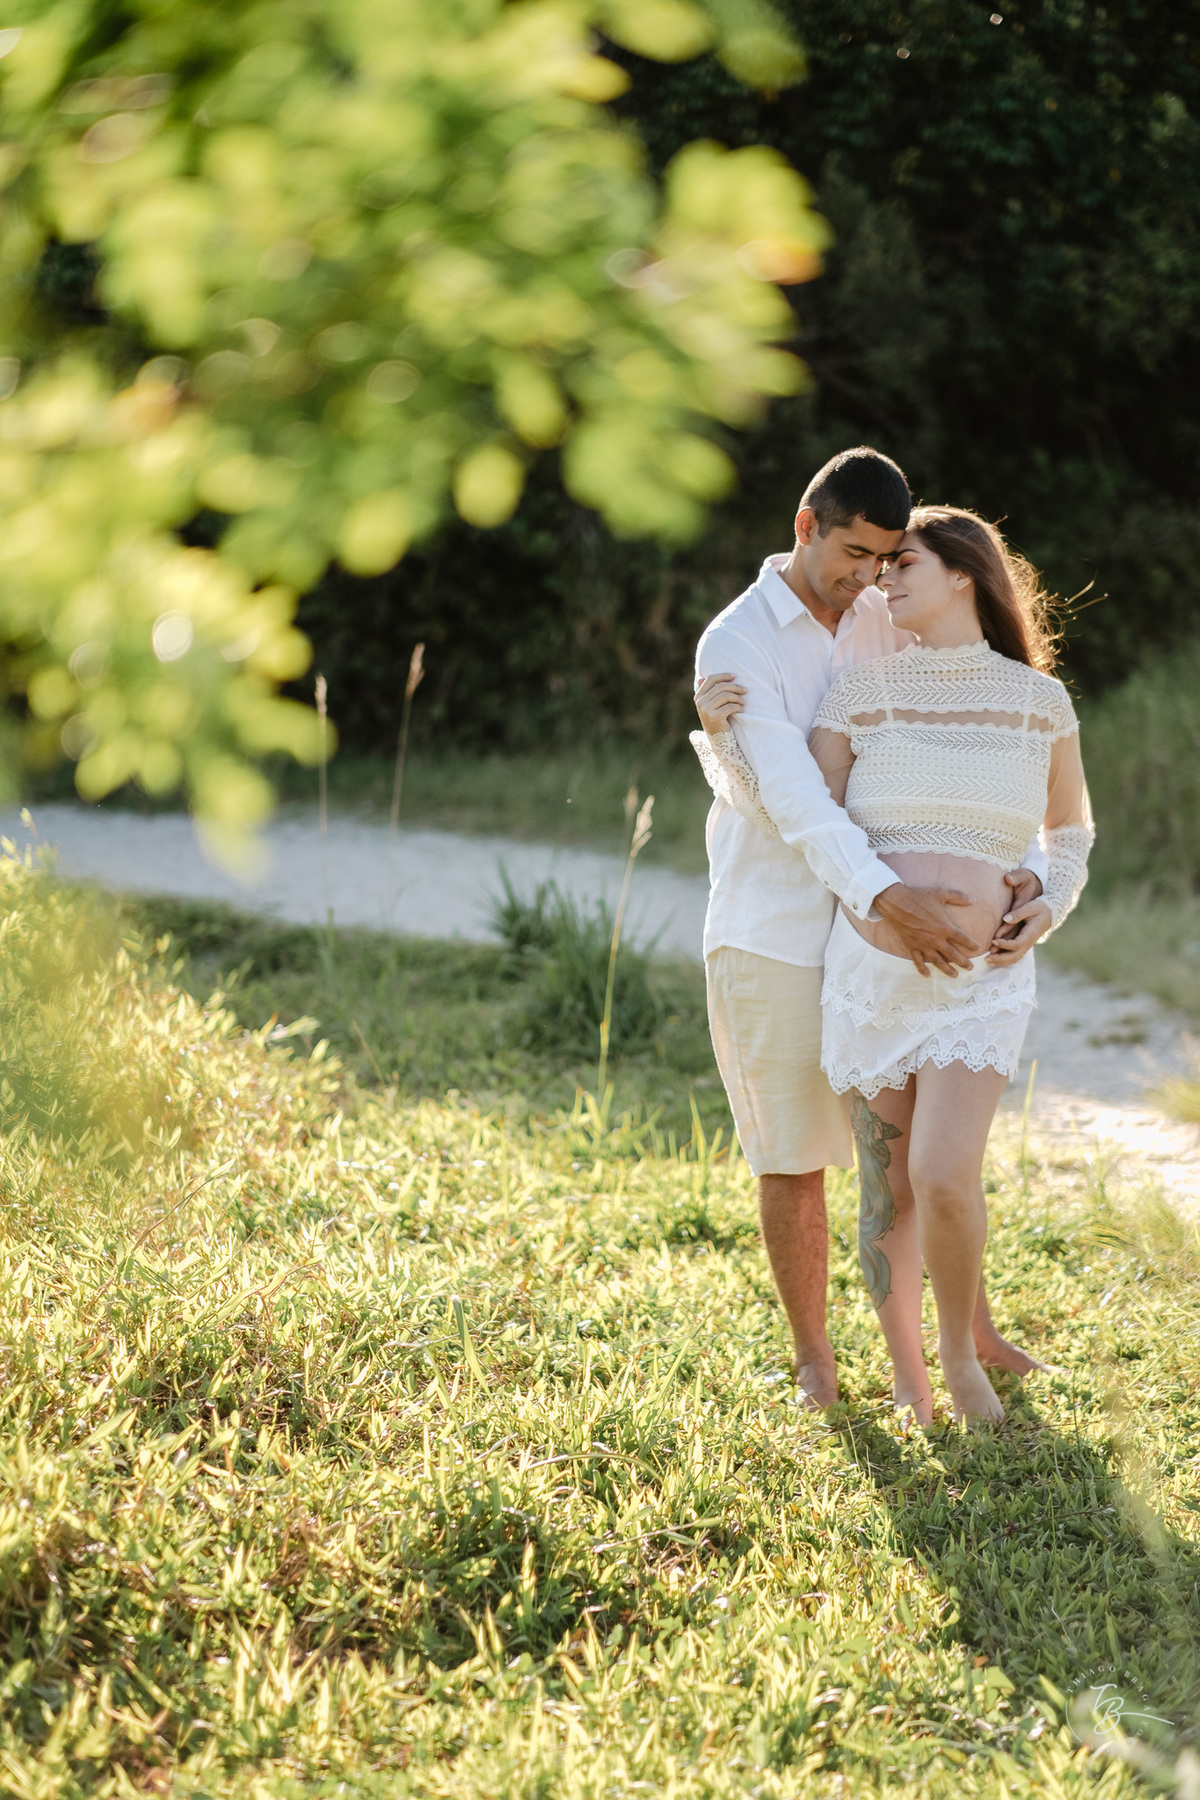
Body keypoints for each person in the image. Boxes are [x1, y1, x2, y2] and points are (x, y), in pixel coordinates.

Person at [696, 505, 1092, 1423]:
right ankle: (910, 1381)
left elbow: (1069, 831)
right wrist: (723, 742)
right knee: (889, 1191)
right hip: (869, 984)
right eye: (877, 564)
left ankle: (959, 1354)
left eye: (902, 562)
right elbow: (800, 810)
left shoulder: (1040, 702)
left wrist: (1048, 896)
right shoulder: (860, 692)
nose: (881, 579)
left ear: (963, 574)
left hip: (980, 985)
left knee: (945, 1175)